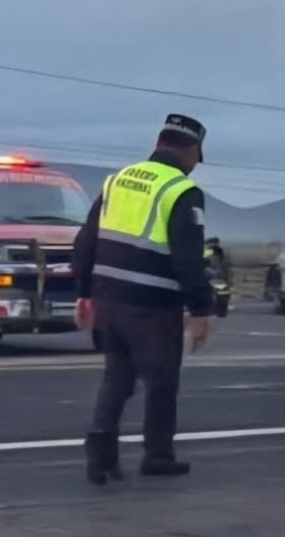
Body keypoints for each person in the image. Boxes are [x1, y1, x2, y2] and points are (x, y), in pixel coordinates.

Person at [72, 113, 215, 485]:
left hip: (109, 300)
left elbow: (85, 241)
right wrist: (201, 310)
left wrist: (84, 293)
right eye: (199, 154)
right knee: (162, 380)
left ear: (159, 142)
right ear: (192, 149)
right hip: (153, 306)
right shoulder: (181, 191)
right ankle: (158, 456)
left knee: (116, 378)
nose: (197, 164)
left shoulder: (117, 180)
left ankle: (100, 457)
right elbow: (188, 258)